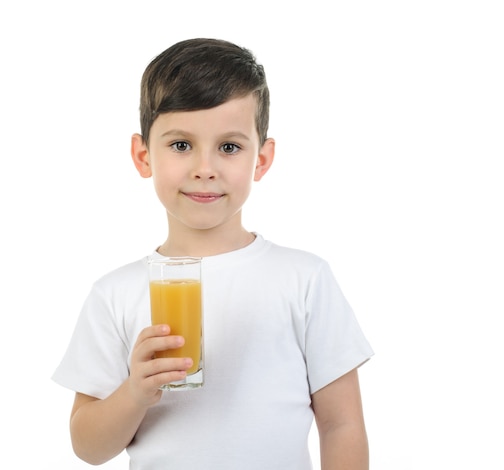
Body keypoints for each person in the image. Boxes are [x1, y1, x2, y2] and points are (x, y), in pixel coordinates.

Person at [52, 38, 374, 469]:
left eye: (229, 147)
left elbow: (342, 425)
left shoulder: (303, 279)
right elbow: (87, 448)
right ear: (143, 155)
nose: (205, 167)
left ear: (261, 160)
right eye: (181, 145)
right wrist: (133, 393)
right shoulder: (116, 294)